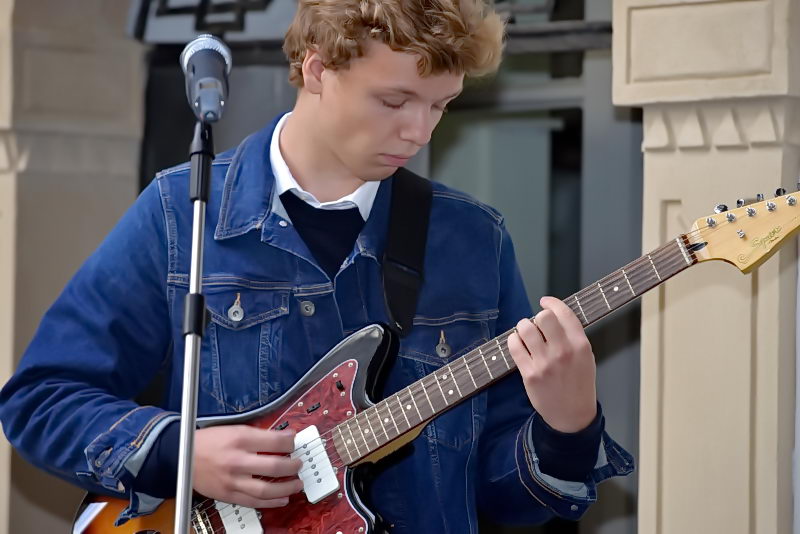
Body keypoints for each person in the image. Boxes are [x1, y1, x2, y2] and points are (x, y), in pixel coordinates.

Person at [0, 0, 633, 531]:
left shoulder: (473, 239)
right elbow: (40, 401)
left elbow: (506, 502)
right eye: (394, 100)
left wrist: (568, 427)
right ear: (318, 69)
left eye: (440, 105)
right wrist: (181, 452)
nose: (420, 132)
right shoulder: (182, 212)